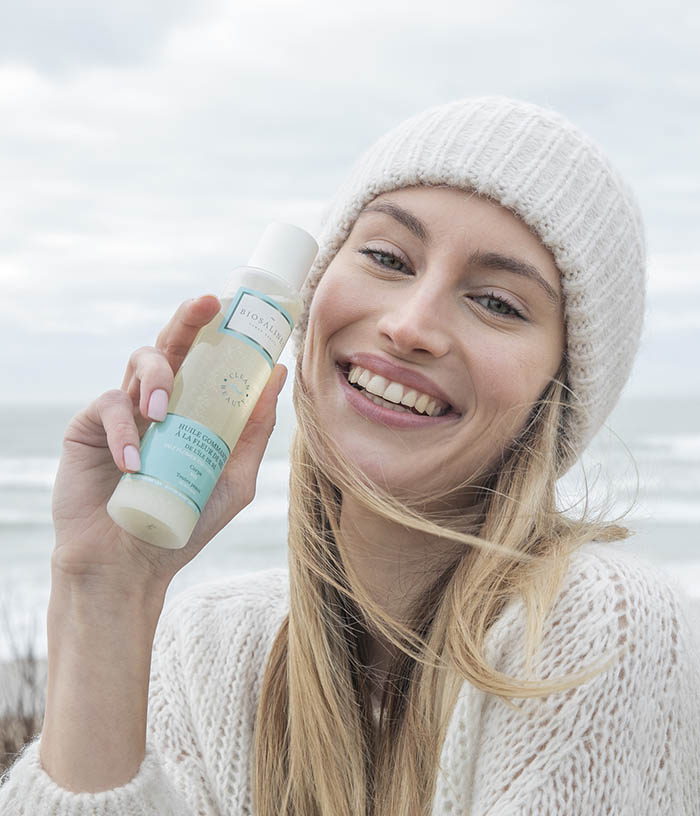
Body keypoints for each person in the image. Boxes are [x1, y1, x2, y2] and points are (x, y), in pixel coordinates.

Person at [1, 96, 698, 815]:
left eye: (497, 302)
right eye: (388, 257)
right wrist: (107, 592)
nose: (410, 325)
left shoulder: (601, 627)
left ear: (557, 393)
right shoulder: (211, 645)